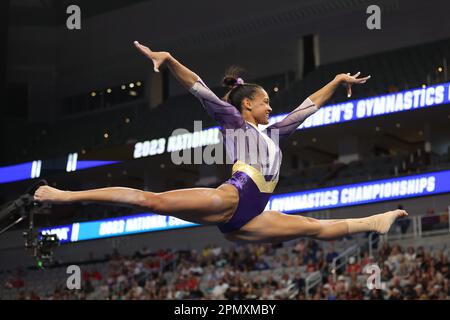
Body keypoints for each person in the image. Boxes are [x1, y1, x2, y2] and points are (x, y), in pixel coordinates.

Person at [33, 40, 408, 244]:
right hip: (232, 198)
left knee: (313, 227)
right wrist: (170, 59)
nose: (271, 105)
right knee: (153, 201)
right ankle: (67, 196)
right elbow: (198, 88)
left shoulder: (275, 133)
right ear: (247, 105)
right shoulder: (232, 122)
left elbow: (309, 105)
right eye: (265, 101)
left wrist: (339, 79)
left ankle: (375, 221)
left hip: (249, 220)